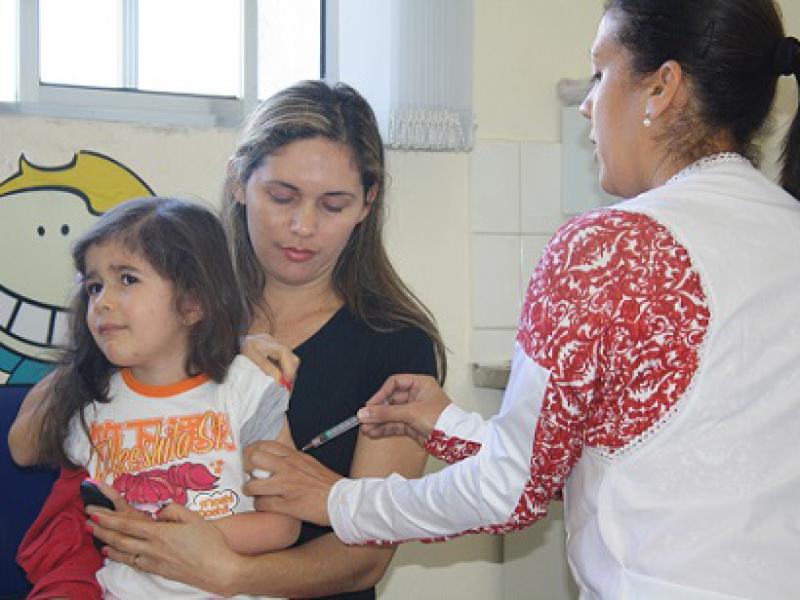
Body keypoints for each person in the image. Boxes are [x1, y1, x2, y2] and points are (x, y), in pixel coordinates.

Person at [158, 1, 800, 599]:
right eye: (283, 196)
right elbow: (621, 451)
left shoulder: (607, 248)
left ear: (661, 88)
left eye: (600, 73)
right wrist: (448, 426)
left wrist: (335, 501)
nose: (586, 105)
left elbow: (513, 490)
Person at [45, 80, 447, 598]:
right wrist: (224, 345)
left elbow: (365, 558)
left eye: (333, 205)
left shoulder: (396, 346)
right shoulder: (172, 309)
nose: (302, 226)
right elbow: (30, 439)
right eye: (281, 197)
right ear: (238, 181)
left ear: (367, 204)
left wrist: (231, 573)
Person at [8, 197, 301, 598]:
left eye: (127, 280)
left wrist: (168, 537)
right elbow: (22, 448)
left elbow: (282, 525)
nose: (102, 302)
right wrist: (82, 362)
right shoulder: (93, 400)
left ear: (194, 302)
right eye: (93, 287)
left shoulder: (244, 389)